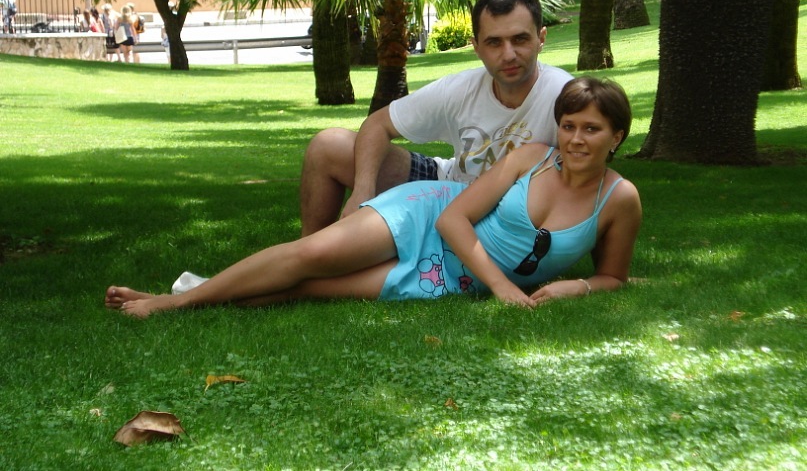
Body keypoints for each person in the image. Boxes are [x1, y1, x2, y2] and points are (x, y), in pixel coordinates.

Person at [105, 77, 642, 318]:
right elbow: (454, 218)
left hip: (449, 277)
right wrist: (502, 287)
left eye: (591, 129)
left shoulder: (620, 200)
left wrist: (576, 286)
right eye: (568, 126)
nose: (575, 140)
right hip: (427, 216)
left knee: (310, 289)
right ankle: (171, 303)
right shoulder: (531, 157)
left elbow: (614, 277)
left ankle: (197, 293)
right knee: (309, 254)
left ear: (617, 136)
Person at [300, 0, 573, 236]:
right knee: (328, 145)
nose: (509, 54)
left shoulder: (564, 97)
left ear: (541, 38)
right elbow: (377, 124)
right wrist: (363, 191)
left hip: (507, 216)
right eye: (494, 42)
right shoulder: (460, 89)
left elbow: (590, 177)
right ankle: (310, 250)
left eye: (520, 39)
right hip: (448, 188)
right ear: (476, 47)